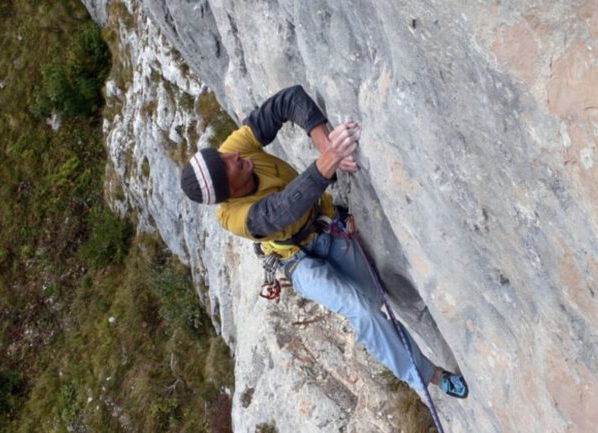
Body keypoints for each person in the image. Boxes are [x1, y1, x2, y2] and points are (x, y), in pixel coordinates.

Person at [180, 85, 468, 399]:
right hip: (298, 262)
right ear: (227, 191)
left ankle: (401, 356)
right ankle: (429, 377)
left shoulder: (236, 149)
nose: (232, 155)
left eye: (221, 156)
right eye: (225, 165)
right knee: (362, 309)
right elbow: (280, 211)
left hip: (325, 225)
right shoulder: (234, 217)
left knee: (372, 302)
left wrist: (323, 142)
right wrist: (328, 161)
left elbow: (287, 100)